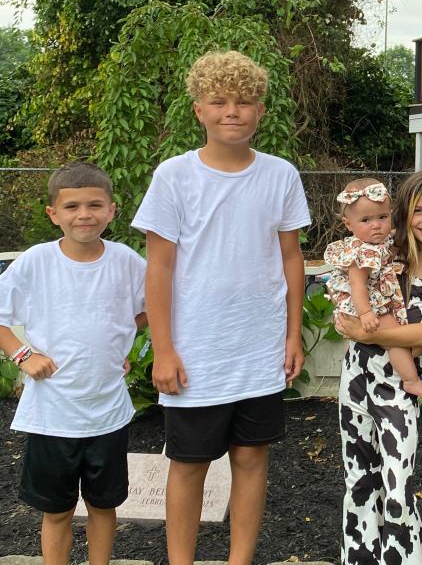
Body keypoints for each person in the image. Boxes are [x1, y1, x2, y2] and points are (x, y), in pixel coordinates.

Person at [131, 50, 311, 565]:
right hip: (196, 351)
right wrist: (162, 349)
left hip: (258, 350)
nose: (232, 111)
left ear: (260, 110)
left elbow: (292, 258)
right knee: (188, 463)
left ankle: (240, 561)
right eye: (219, 101)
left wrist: (292, 334)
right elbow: (158, 269)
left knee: (252, 458)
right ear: (199, 111)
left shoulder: (280, 175)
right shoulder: (174, 177)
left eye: (244, 101)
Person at [0, 162, 146, 565]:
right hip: (52, 415)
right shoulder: (36, 262)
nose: (85, 214)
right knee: (57, 510)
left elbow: (152, 308)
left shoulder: (126, 261)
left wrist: (119, 344)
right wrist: (23, 354)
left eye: (95, 205)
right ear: (53, 214)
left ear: (112, 210)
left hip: (107, 415)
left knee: (103, 506)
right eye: (72, 206)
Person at [335, 170, 422, 565]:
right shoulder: (386, 253)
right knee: (359, 483)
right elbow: (348, 291)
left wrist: (368, 335)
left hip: (398, 389)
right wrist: (351, 318)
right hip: (357, 380)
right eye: (418, 211)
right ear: (402, 215)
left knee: (397, 487)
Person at [324, 177, 422, 401]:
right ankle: (411, 380)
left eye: (382, 217)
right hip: (362, 302)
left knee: (396, 333)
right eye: (365, 220)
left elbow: (391, 251)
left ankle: (409, 354)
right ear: (348, 224)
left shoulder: (379, 241)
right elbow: (357, 286)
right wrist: (366, 313)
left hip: (373, 297)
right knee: (393, 334)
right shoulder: (360, 252)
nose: (376, 225)